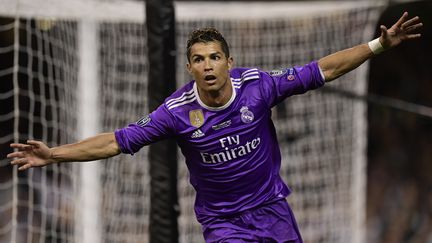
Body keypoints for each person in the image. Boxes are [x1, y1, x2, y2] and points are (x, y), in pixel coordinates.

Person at [8, 12, 422, 242]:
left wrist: (379, 45)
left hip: (273, 211)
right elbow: (115, 141)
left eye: (214, 57)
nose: (207, 65)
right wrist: (53, 153)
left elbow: (323, 69)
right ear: (189, 67)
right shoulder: (175, 111)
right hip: (224, 224)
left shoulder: (258, 86)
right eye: (199, 59)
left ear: (228, 60)